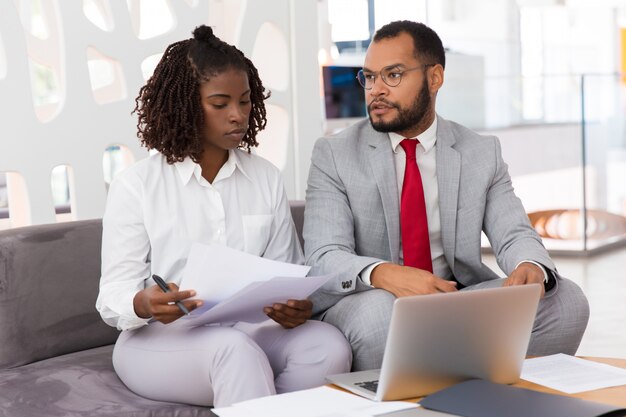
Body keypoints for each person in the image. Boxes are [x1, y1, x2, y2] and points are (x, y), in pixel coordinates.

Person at [303, 20, 589, 372]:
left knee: (567, 301)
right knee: (382, 317)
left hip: (454, 297)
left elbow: (514, 232)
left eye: (392, 75)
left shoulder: (480, 151)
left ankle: (480, 391)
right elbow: (323, 255)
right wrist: (384, 274)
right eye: (369, 77)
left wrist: (528, 265)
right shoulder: (335, 153)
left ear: (434, 78)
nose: (376, 89)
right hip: (371, 300)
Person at [96, 25, 351, 408]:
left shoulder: (264, 176)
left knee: (328, 346)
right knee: (233, 351)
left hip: (246, 330)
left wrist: (295, 306)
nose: (238, 116)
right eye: (220, 104)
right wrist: (144, 303)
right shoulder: (136, 185)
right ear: (183, 106)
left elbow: (289, 271)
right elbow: (111, 295)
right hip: (157, 340)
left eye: (245, 102)